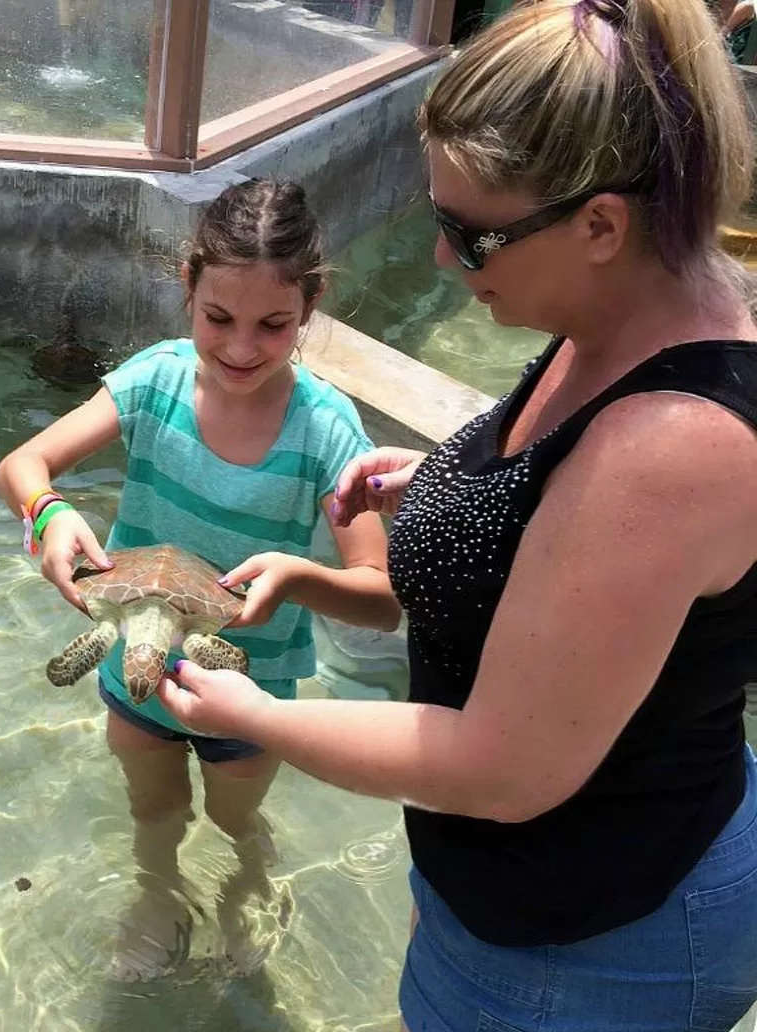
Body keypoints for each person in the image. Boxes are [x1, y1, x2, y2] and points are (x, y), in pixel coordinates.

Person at [155, 1, 757, 1029]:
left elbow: (505, 767)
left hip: (592, 934)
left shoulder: (671, 447)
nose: (440, 258)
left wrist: (259, 718)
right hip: (535, 892)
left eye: (467, 232)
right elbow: (560, 501)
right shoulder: (621, 313)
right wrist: (446, 480)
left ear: (600, 224)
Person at [0, 178, 400, 982]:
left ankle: (247, 884)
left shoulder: (325, 429)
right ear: (187, 287)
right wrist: (47, 514)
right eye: (219, 318)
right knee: (154, 810)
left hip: (251, 686)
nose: (242, 347)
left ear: (310, 307)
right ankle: (156, 894)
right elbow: (22, 464)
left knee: (232, 811)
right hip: (131, 662)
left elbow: (382, 597)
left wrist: (296, 578)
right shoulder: (155, 380)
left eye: (273, 325)